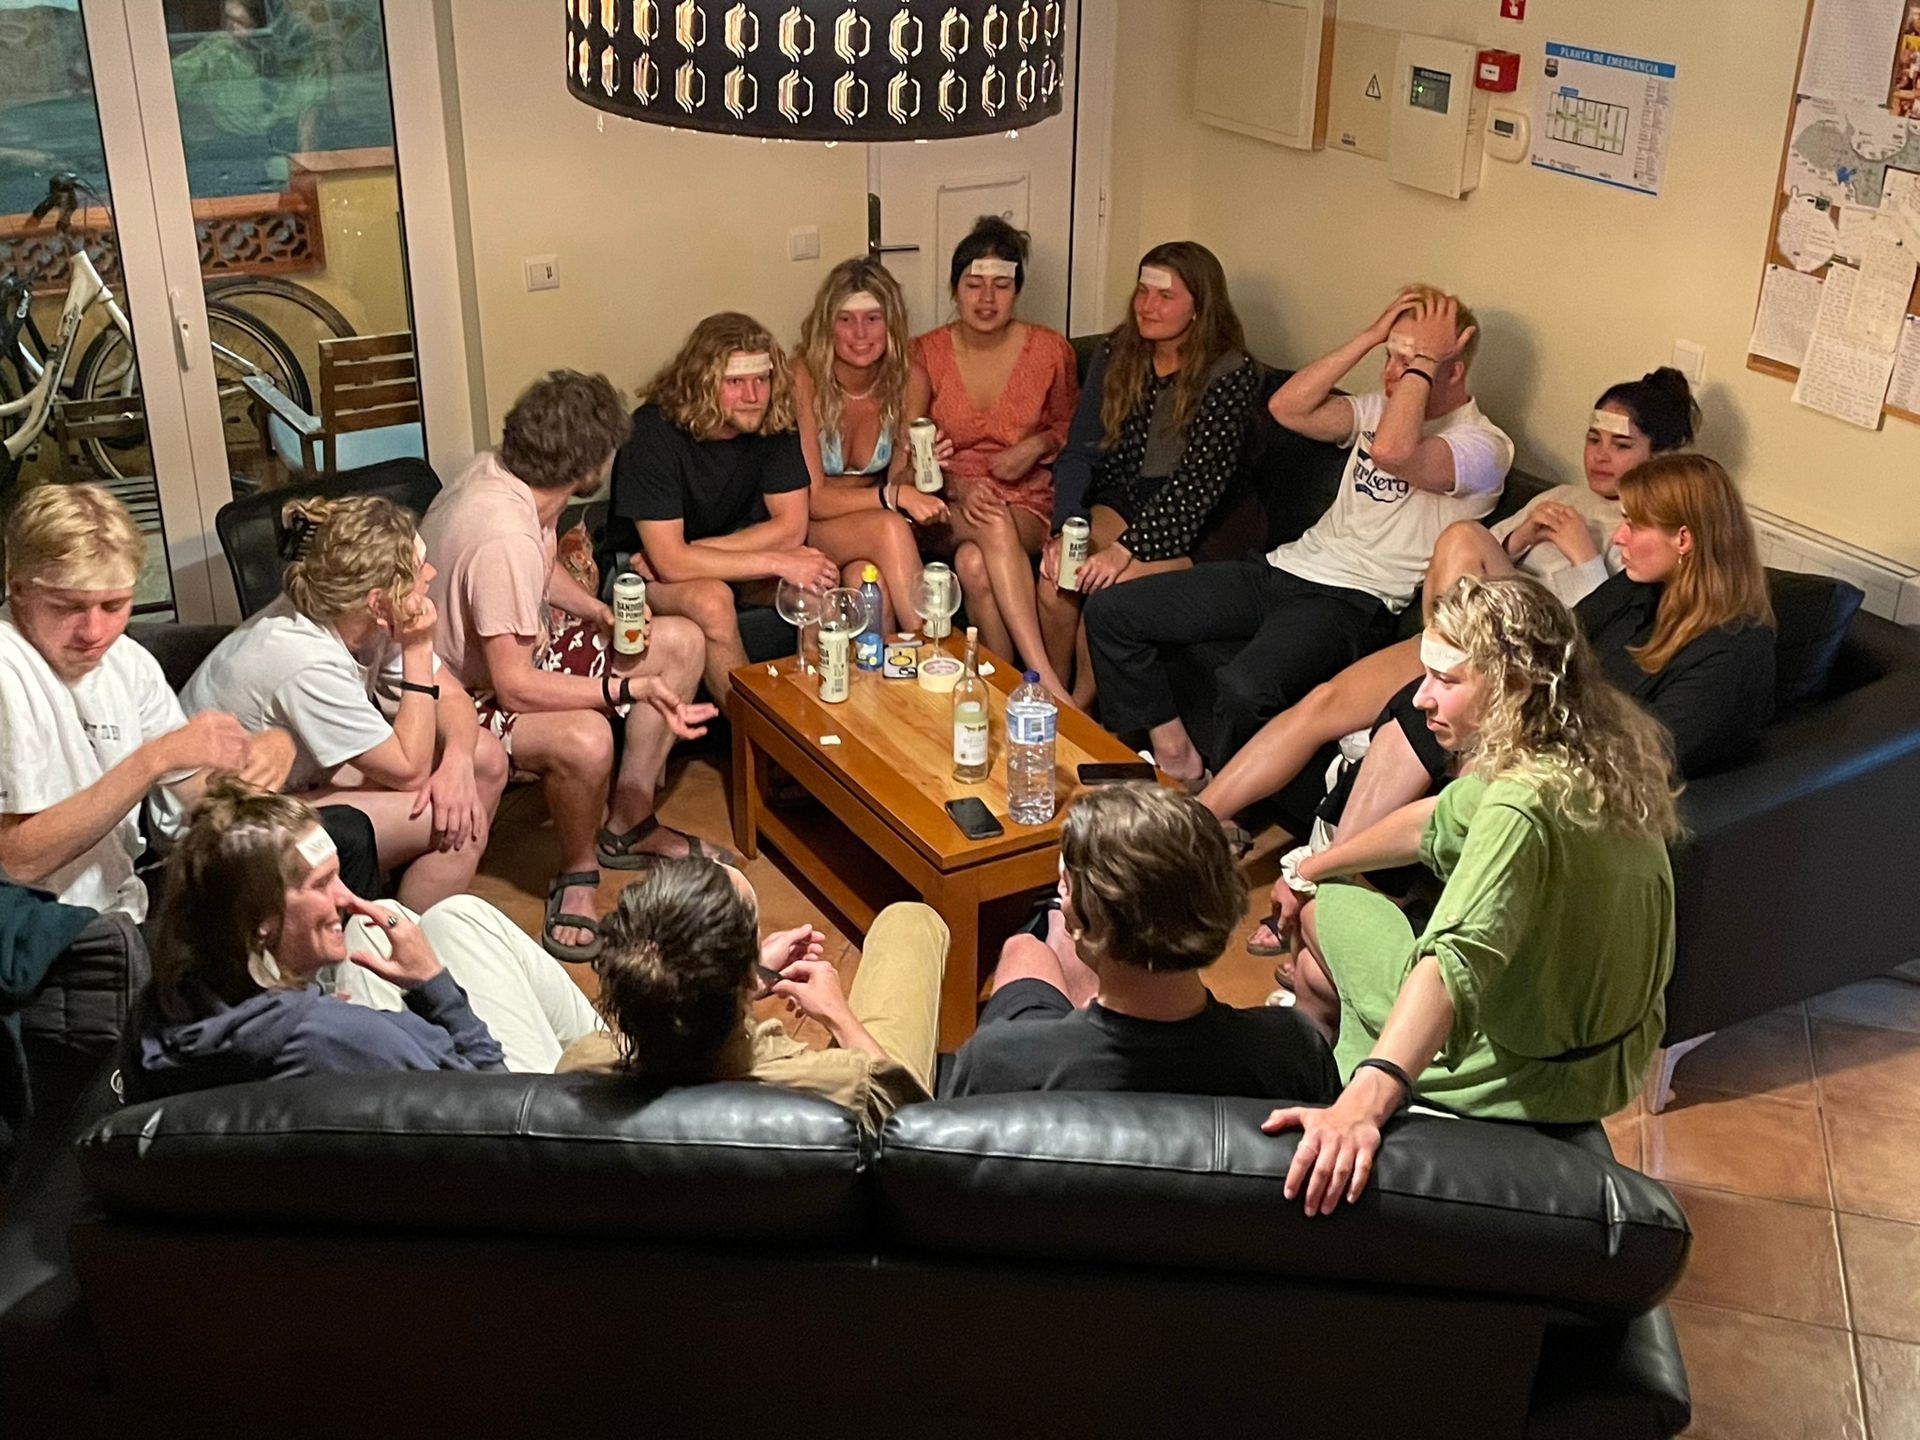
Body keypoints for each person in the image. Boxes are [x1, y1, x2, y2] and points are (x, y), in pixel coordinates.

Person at [1261, 575, 1678, 1216]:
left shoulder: (1522, 800)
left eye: (1446, 681)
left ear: (1512, 683)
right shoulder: (1593, 751)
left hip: (1524, 1074)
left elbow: (1455, 960)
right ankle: (1320, 998)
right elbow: (1435, 820)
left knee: (1326, 910)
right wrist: (1311, 862)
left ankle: (1342, 1072)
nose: (1422, 699)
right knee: (1322, 900)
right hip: (1613, 1063)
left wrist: (1364, 1106)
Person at [1201, 368, 1700, 860]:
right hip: (1463, 631)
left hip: (1525, 663)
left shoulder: (1650, 532)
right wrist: (1520, 539)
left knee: (1463, 549)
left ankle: (1433, 684)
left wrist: (1584, 558)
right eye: (1593, 440)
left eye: (1622, 446)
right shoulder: (1561, 496)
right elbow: (1476, 555)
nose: (1601, 456)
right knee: (1323, 701)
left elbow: (1597, 639)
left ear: (1660, 455)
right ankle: (1193, 822)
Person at [1086, 285, 1512, 780]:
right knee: (1113, 611)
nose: (1390, 373)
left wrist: (1423, 362)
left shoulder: (1484, 446)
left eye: (1408, 362)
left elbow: (1394, 453)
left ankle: (1221, 810)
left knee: (1245, 686)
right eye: (1389, 358)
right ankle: (1177, 757)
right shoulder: (1376, 408)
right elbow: (1286, 408)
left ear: (1452, 368)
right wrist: (1373, 335)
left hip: (1351, 601)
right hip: (1282, 568)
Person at [419, 371, 719, 963]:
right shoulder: (499, 531)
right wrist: (619, 688)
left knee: (681, 641)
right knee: (585, 739)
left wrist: (597, 611)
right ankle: (578, 869)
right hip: (459, 695)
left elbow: (540, 565)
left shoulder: (518, 482)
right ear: (589, 465)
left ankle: (628, 820)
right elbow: (513, 685)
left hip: (523, 655)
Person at [122, 784, 602, 1100]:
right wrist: (434, 987)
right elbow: (497, 1111)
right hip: (521, 1128)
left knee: (382, 921)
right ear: (261, 921)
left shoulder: (160, 1010)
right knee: (462, 916)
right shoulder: (339, 1040)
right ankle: (625, 1074)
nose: (348, 897)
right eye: (323, 883)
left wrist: (311, 1001)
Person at [180, 496, 508, 912]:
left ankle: (409, 925)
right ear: (377, 601)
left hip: (302, 779)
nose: (432, 574)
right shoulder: (306, 658)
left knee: (485, 756)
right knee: (457, 819)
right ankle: (405, 946)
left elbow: (455, 699)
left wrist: (459, 761)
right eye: (419, 569)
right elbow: (409, 770)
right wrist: (419, 647)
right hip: (226, 823)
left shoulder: (361, 616)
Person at [0, 483, 294, 923]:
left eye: (115, 605)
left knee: (341, 836)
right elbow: (16, 862)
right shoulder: (9, 667)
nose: (94, 631)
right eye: (68, 607)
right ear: (19, 589)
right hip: (38, 933)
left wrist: (269, 752)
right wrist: (152, 760)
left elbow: (195, 793)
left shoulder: (127, 662)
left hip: (121, 904)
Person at [941, 783, 1339, 1102]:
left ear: (1081, 918)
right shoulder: (1293, 1051)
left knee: (1024, 949)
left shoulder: (1003, 1060)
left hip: (1061, 1055)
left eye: (1068, 889)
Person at [558, 858, 949, 1133]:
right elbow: (917, 1135)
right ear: (746, 976)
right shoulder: (846, 1087)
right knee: (908, 921)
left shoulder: (580, 1069)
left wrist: (738, 976)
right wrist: (838, 1017)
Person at [1037, 243, 1261, 707]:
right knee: (1059, 577)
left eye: (1165, 296)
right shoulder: (1117, 350)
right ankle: (1051, 695)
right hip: (1124, 498)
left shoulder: (1229, 371)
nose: (1147, 306)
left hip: (1203, 522)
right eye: (1143, 291)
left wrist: (1124, 553)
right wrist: (1066, 528)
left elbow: (1194, 491)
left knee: (1105, 592)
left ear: (1199, 307)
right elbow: (1079, 451)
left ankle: (1082, 712)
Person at [599, 313, 839, 702]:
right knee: (712, 600)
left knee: (814, 589)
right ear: (703, 381)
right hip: (635, 574)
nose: (753, 395)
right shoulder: (651, 433)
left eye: (762, 379)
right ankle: (756, 739)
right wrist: (778, 562)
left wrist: (691, 553)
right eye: (735, 382)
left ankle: (815, 722)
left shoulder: (773, 418)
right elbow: (671, 566)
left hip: (695, 556)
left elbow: (791, 527)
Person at [910, 217, 1078, 684]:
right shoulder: (924, 353)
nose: (987, 300)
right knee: (970, 562)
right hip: (947, 505)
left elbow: (1073, 427)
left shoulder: (1050, 350)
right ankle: (1038, 679)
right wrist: (958, 487)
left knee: (991, 530)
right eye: (974, 285)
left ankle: (1003, 683)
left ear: (1017, 290)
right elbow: (911, 449)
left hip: (1025, 500)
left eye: (1001, 286)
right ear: (954, 287)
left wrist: (1039, 443)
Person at [793, 258, 945, 632]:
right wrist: (894, 496)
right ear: (827, 325)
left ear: (891, 323)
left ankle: (891, 684)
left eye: (872, 319)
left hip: (865, 528)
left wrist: (919, 463)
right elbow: (813, 498)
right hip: (808, 526)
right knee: (890, 529)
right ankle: (936, 649)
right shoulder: (804, 377)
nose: (860, 333)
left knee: (867, 584)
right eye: (846, 320)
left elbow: (900, 480)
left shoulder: (910, 381)